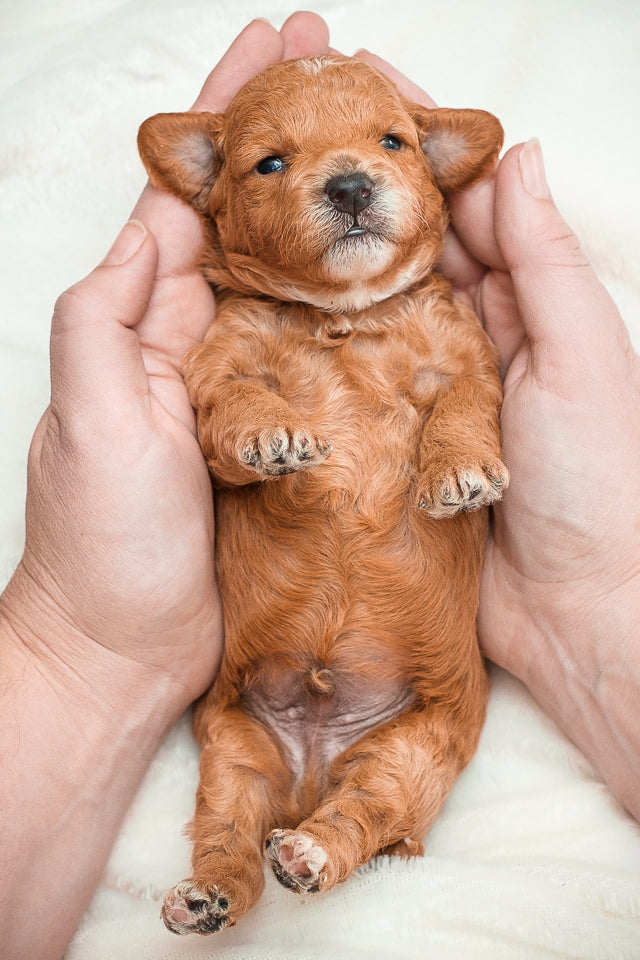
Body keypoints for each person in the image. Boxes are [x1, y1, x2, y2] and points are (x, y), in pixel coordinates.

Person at [0, 11, 638, 960]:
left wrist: (476, 450)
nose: (348, 179)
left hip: (419, 687)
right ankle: (225, 870)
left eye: (386, 143)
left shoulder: (444, 323)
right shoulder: (239, 332)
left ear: (435, 164)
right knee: (236, 761)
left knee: (417, 758)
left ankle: (338, 840)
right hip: (255, 682)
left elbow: (468, 385)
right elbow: (217, 405)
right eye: (270, 164)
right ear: (209, 185)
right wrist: (246, 436)